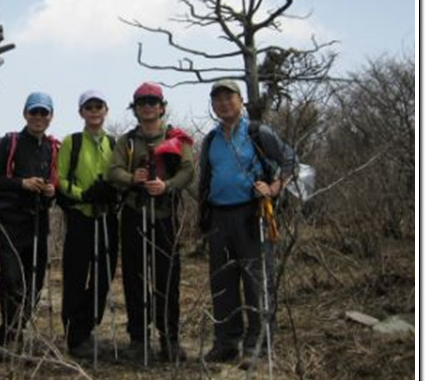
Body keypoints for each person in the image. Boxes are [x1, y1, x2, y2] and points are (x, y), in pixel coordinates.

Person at [198, 79, 295, 364]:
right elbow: (206, 178)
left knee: (256, 281)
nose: (223, 103)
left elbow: (290, 159)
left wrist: (274, 188)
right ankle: (226, 343)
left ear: (241, 101)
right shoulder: (211, 140)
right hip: (218, 216)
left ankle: (259, 346)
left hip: (251, 214)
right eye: (217, 99)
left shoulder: (257, 132)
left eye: (229, 97)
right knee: (222, 282)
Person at [108, 82, 195, 364]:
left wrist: (166, 185)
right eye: (142, 102)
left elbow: (188, 170)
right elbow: (113, 171)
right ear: (135, 108)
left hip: (165, 217)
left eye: (152, 102)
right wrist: (132, 178)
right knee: (134, 279)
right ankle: (138, 339)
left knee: (167, 280)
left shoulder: (177, 138)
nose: (147, 106)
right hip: (134, 215)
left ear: (162, 106)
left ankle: (169, 339)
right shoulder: (127, 141)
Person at [0, 92, 59, 356]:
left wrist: (51, 192)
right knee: (12, 279)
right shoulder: (9, 143)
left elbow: (56, 185)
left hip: (38, 224)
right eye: (33, 112)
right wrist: (21, 183)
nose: (38, 117)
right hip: (9, 222)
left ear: (50, 117)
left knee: (34, 284)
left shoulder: (52, 148)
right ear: (25, 114)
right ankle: (9, 337)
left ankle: (16, 331)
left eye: (43, 113)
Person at [57, 90, 119, 359]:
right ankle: (74, 334)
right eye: (88, 107)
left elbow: (120, 174)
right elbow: (60, 178)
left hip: (107, 215)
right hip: (81, 215)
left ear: (106, 110)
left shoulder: (115, 143)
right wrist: (83, 194)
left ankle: (87, 328)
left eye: (98, 106)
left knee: (103, 277)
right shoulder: (72, 142)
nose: (94, 111)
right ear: (81, 112)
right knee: (75, 275)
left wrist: (111, 191)